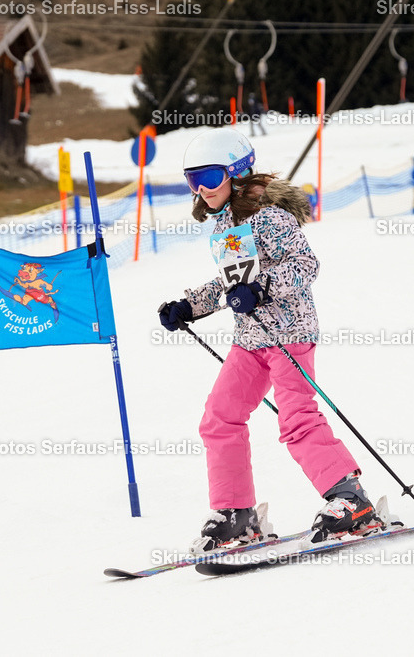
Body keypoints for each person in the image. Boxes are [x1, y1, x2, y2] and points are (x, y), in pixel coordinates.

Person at [157, 128, 385, 554]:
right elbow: (232, 281)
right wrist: (190, 306)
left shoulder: (271, 217)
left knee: (296, 418)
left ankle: (350, 499)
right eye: (192, 180)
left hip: (289, 334)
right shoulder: (227, 220)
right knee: (219, 417)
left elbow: (305, 265)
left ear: (237, 172)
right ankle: (235, 515)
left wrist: (261, 288)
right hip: (250, 340)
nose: (201, 189)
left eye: (209, 176)